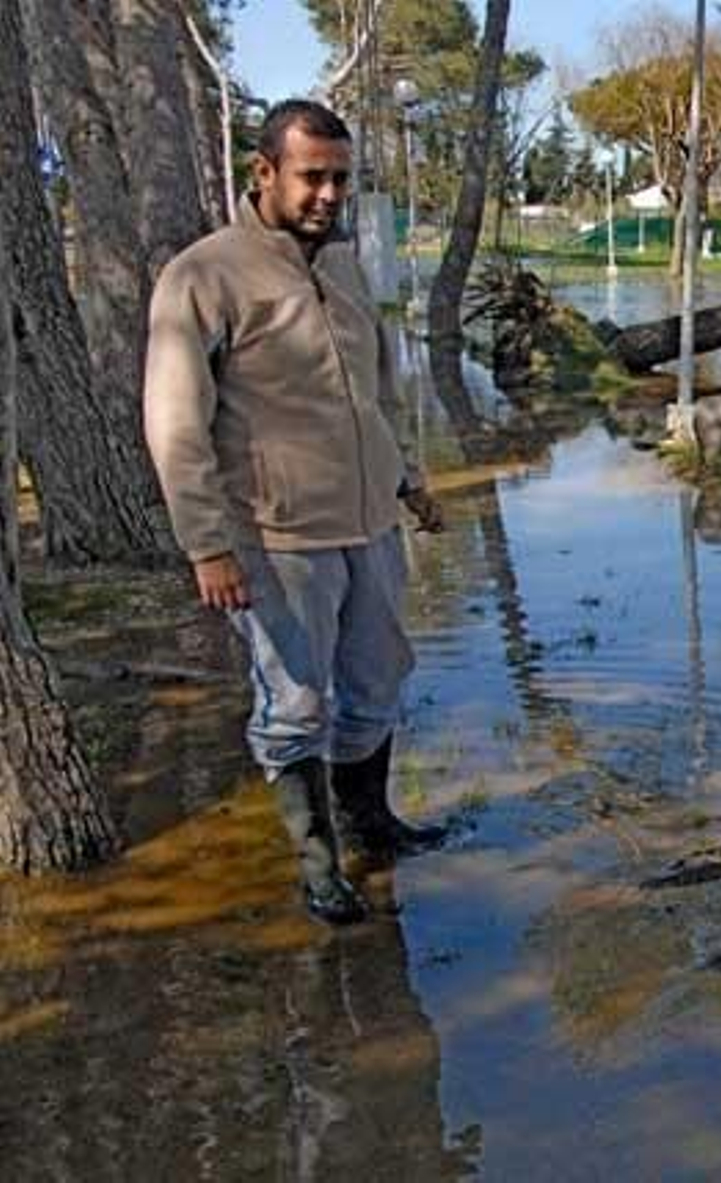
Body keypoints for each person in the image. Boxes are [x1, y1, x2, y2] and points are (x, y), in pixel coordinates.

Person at [144, 99, 447, 925]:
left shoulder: (344, 265)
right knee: (297, 706)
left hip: (369, 523)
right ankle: (319, 865)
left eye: (341, 178)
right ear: (265, 171)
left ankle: (371, 822)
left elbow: (377, 390)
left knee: (378, 680)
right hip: (277, 539)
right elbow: (175, 422)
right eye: (312, 176)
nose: (329, 194)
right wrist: (207, 545)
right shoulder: (204, 276)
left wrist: (407, 480)